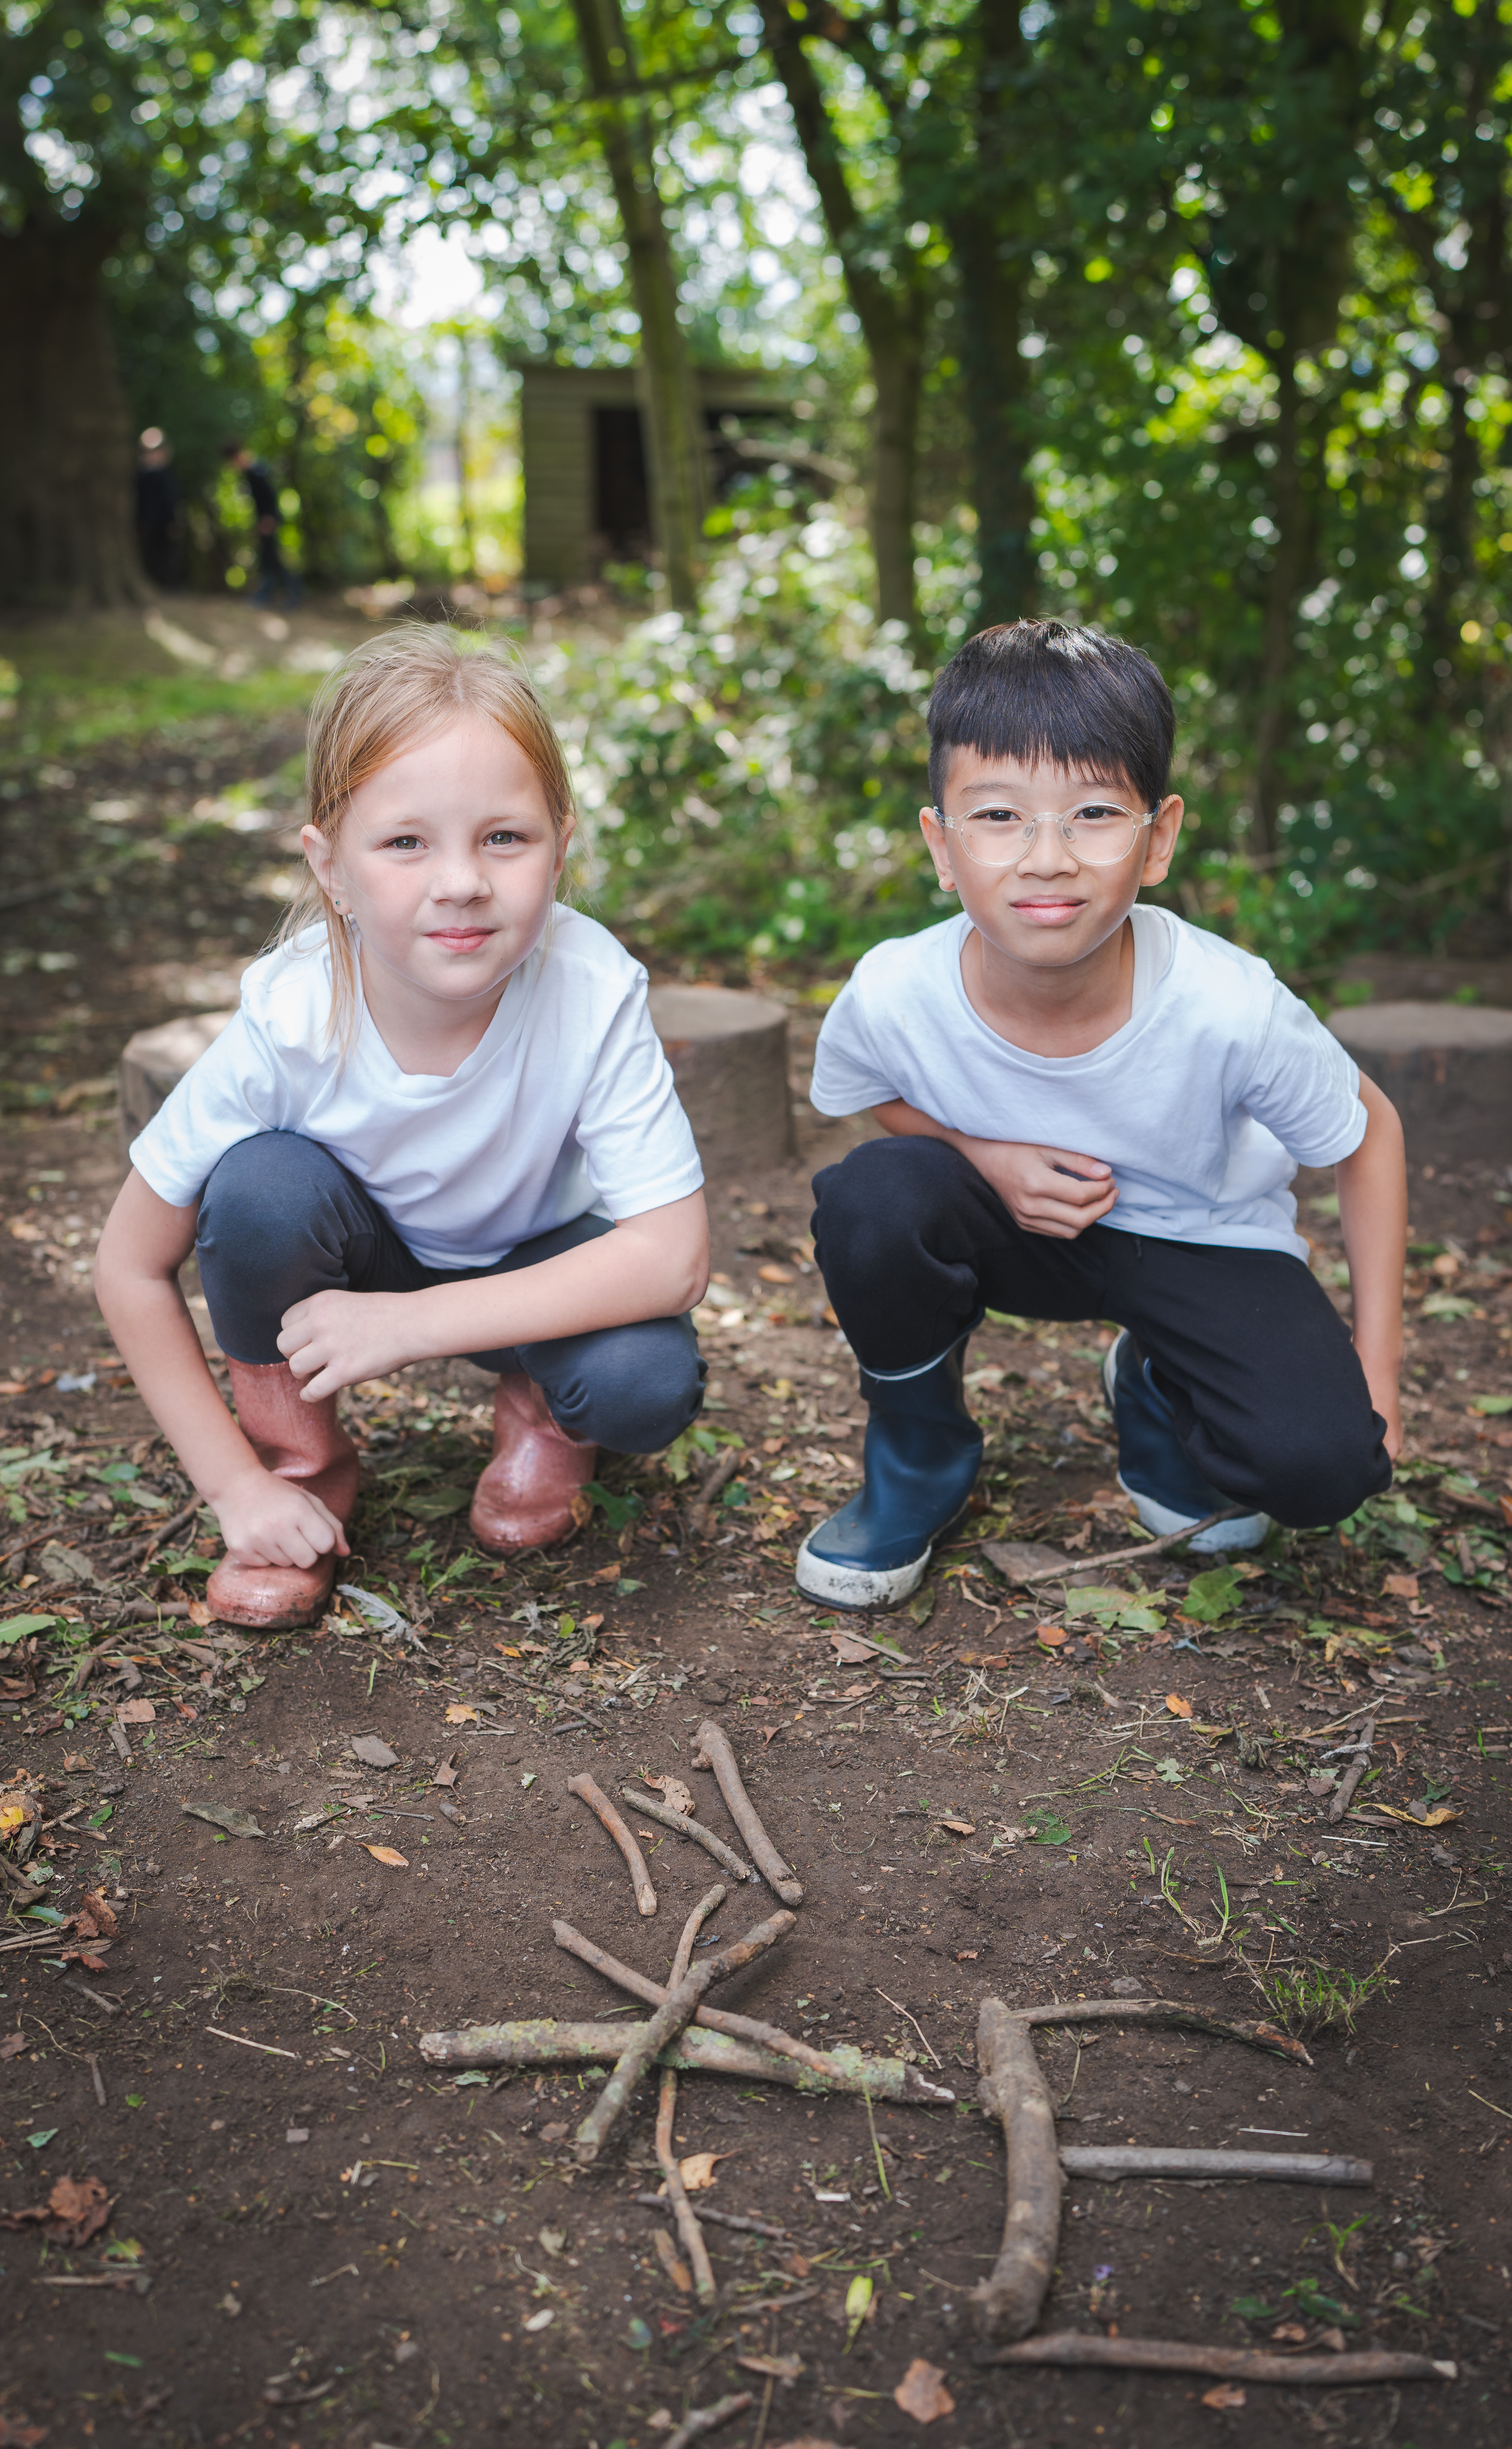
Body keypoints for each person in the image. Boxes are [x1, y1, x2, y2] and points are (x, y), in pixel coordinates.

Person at [94, 628, 709, 1629]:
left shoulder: (591, 987)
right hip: (363, 1251)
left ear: (560, 846)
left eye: (503, 837)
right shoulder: (290, 1018)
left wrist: (408, 1326)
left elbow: (673, 1257)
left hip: (540, 1264)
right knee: (258, 1192)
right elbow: (127, 1265)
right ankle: (297, 1468)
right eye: (405, 842)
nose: (461, 880)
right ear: (330, 867)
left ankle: (544, 1414)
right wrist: (231, 1485)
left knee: (644, 1377)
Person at [797, 618, 1405, 1611]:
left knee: (1322, 1467)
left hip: (1202, 1238)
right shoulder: (894, 991)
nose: (1047, 858)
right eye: (999, 815)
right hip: (1020, 1230)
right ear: (941, 845)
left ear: (1157, 838)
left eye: (1092, 813)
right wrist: (982, 1156)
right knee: (874, 1197)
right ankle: (917, 1455)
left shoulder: (1227, 1005)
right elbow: (874, 1096)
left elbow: (1367, 1134)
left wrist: (1377, 1369)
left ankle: (1158, 1384)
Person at [223, 440, 300, 608]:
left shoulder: (256, 470)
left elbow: (270, 496)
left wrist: (268, 519)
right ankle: (272, 594)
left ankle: (291, 594)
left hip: (269, 520)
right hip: (265, 520)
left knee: (271, 557)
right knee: (269, 557)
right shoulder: (252, 471)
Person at [135, 429, 181, 589]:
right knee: (150, 556)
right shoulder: (142, 474)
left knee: (166, 556)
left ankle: (167, 587)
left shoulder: (167, 473)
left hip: (164, 524)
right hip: (146, 523)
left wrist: (172, 521)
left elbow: (171, 500)